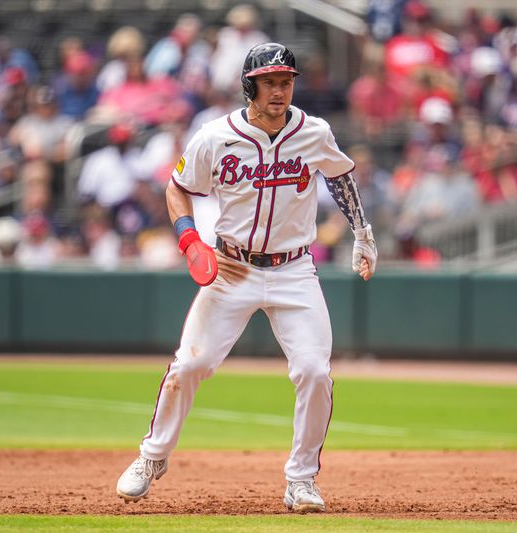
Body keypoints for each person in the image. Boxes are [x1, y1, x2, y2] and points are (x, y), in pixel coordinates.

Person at [116, 43, 378, 513]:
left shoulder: (313, 131)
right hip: (231, 266)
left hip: (294, 269)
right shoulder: (215, 136)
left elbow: (339, 175)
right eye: (270, 81)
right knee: (191, 365)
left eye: (286, 80)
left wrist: (362, 232)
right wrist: (189, 240)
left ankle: (301, 480)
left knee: (316, 372)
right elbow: (178, 187)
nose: (279, 90)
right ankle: (151, 457)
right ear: (249, 86)